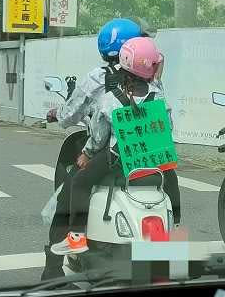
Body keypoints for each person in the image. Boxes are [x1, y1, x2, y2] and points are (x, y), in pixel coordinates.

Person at [50, 36, 180, 256]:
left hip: (118, 162)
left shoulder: (111, 98)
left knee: (80, 182)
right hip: (151, 162)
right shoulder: (159, 97)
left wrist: (87, 153)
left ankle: (77, 237)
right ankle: (175, 221)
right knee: (171, 179)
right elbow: (167, 130)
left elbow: (99, 136)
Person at [41, 18, 142, 280]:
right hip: (145, 155)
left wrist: (57, 115)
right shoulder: (152, 81)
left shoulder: (98, 78)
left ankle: (52, 268)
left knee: (68, 195)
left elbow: (74, 114)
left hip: (108, 153)